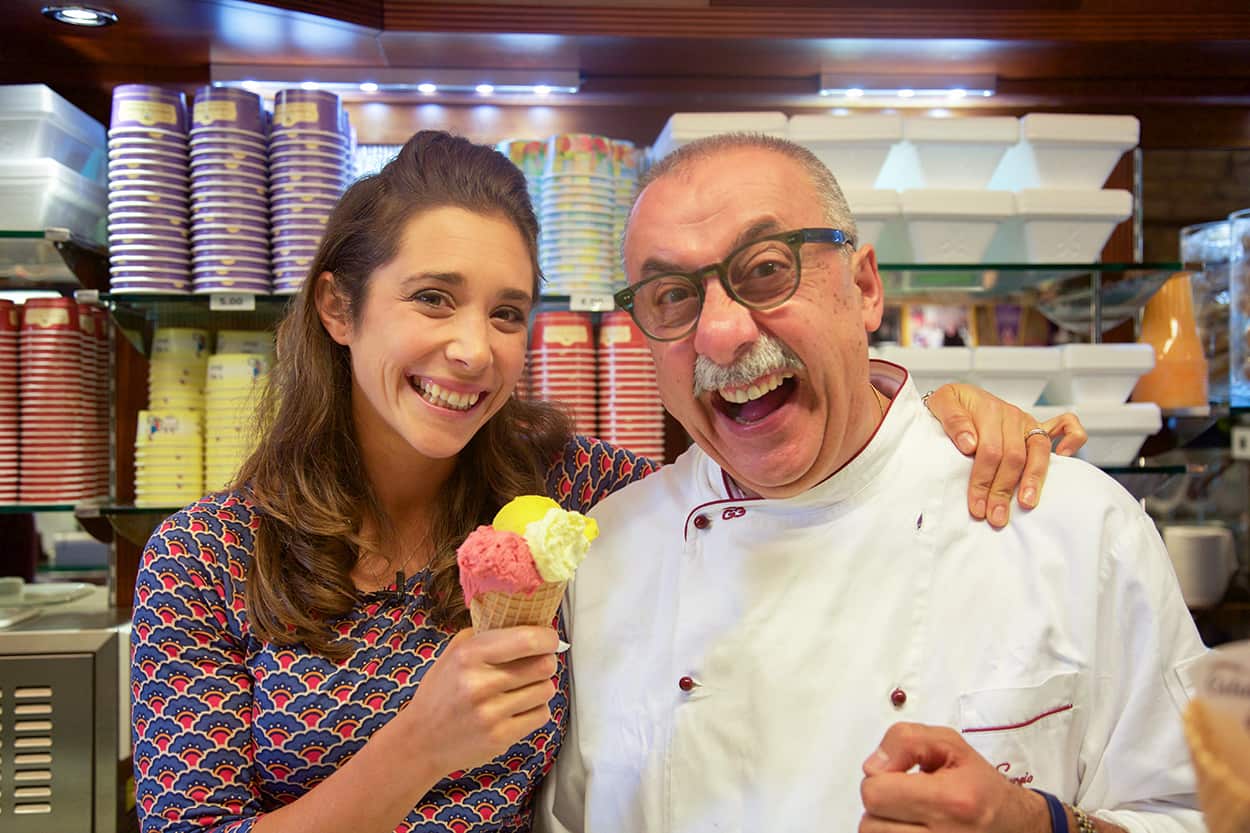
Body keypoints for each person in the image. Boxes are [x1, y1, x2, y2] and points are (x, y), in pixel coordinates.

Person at [130, 130, 1079, 833]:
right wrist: (416, 746)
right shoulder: (203, 557)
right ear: (339, 307)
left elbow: (754, 449)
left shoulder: (563, 495)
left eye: (507, 312)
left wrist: (928, 412)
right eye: (433, 298)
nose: (472, 350)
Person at [539, 134, 1207, 833]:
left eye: (766, 269)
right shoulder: (605, 561)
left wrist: (1040, 825)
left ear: (862, 288)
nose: (722, 333)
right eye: (671, 296)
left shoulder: (1074, 526)